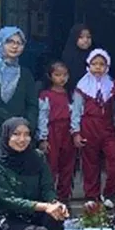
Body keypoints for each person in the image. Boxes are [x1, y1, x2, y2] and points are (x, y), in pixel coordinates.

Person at [0, 26, 39, 164]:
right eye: (9, 41)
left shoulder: (25, 73)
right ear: (0, 43)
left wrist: (27, 127)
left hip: (21, 136)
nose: (14, 46)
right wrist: (14, 124)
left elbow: (32, 104)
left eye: (19, 43)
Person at [72, 49, 115, 205]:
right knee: (90, 163)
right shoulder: (82, 86)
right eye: (94, 64)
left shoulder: (112, 86)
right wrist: (76, 132)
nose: (98, 67)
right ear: (88, 65)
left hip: (107, 128)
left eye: (102, 64)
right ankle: (92, 195)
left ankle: (110, 193)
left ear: (107, 66)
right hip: (88, 127)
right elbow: (76, 110)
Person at [37, 61, 76, 203]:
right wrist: (43, 138)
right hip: (53, 130)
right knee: (51, 165)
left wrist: (75, 132)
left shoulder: (72, 94)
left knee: (68, 164)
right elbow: (42, 116)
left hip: (68, 131)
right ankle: (50, 197)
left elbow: (76, 113)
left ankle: (64, 196)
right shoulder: (45, 94)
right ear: (50, 76)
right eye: (57, 75)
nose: (62, 78)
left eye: (65, 75)